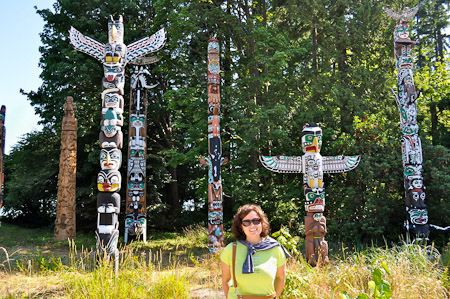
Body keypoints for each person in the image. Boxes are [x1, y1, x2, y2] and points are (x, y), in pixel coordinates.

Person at [220, 204, 290, 299]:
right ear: (241, 226)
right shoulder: (231, 249)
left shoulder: (275, 248)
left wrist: (276, 297)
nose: (252, 225)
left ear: (262, 223)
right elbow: (225, 280)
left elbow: (280, 278)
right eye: (246, 222)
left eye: (256, 221)